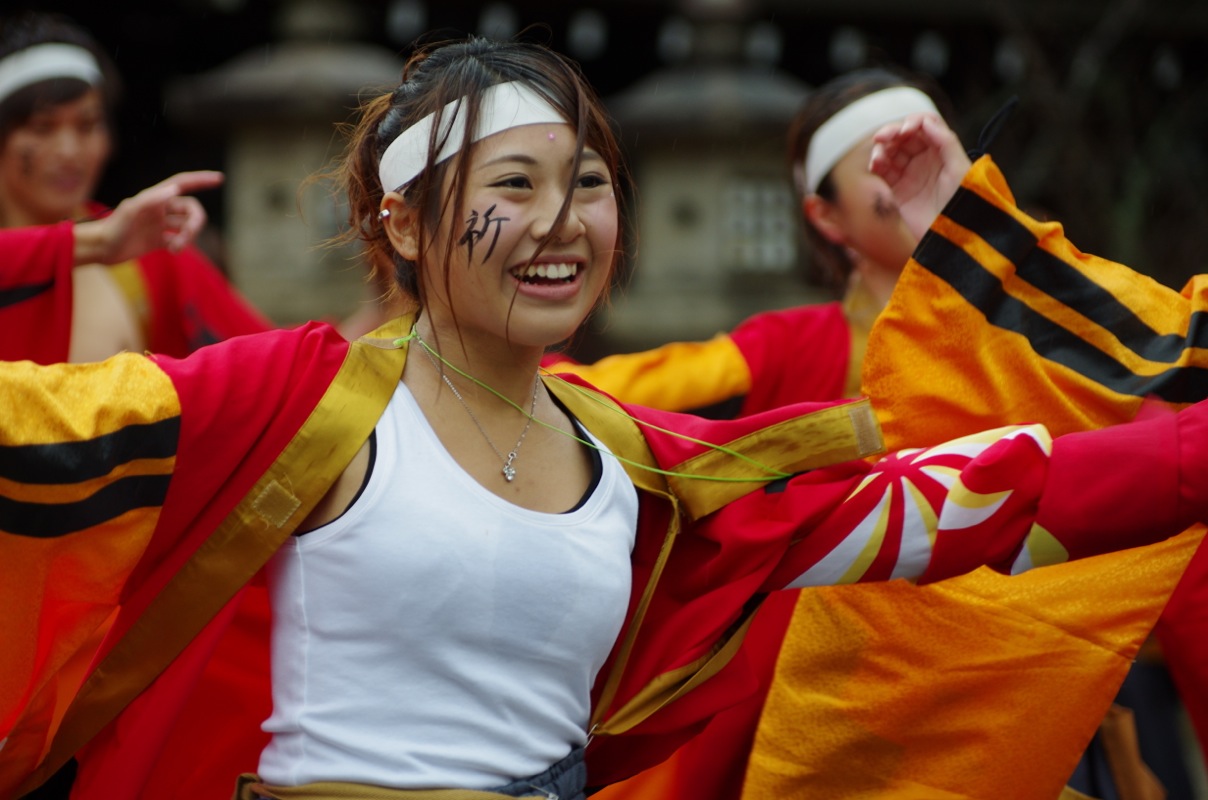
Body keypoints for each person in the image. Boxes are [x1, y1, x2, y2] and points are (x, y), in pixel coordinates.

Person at [4, 36, 1208, 800]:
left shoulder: (630, 456)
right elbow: (36, 427)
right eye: (511, 186)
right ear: (405, 226)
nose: (561, 221)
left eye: (586, 183)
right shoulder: (293, 400)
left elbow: (944, 505)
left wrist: (1182, 456)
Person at [0, 10, 272, 364]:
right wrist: (101, 241)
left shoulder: (144, 251)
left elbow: (265, 355)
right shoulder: (118, 239)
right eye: (42, 128)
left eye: (87, 126)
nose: (69, 152)